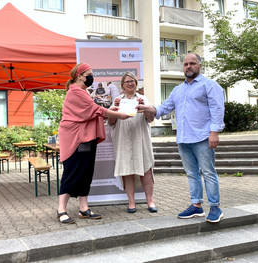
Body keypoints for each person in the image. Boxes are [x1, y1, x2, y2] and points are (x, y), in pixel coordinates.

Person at [137, 53, 225, 223]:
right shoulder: (178, 89)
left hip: (203, 137)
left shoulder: (209, 86)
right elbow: (164, 108)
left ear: (200, 66)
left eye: (192, 63)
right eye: (185, 64)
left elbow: (217, 109)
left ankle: (215, 207)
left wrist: (214, 132)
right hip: (184, 139)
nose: (188, 66)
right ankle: (196, 206)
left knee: (208, 172)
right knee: (192, 173)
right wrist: (148, 108)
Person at [57, 63, 131, 224]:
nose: (92, 77)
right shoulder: (75, 91)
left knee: (85, 172)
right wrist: (119, 115)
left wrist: (114, 109)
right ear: (79, 76)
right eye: (89, 74)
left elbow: (94, 110)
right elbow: (95, 109)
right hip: (75, 138)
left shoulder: (81, 91)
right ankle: (61, 210)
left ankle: (83, 209)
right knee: (72, 172)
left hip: (85, 138)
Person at [108, 72, 157, 214]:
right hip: (123, 139)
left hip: (141, 139)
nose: (130, 83)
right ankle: (131, 203)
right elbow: (111, 122)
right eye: (127, 81)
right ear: (122, 85)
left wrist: (145, 108)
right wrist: (114, 111)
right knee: (127, 171)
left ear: (136, 83)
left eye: (133, 81)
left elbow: (150, 119)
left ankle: (150, 200)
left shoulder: (143, 98)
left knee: (146, 170)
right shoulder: (117, 100)